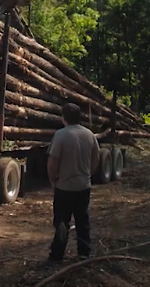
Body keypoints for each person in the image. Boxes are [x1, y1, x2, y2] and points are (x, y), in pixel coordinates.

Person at [46, 103, 100, 261]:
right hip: (83, 187)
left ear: (64, 118)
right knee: (82, 221)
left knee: (62, 222)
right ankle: (84, 253)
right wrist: (89, 173)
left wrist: (53, 179)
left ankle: (57, 255)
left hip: (64, 187)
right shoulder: (89, 135)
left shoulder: (61, 135)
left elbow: (52, 162)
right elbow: (96, 158)